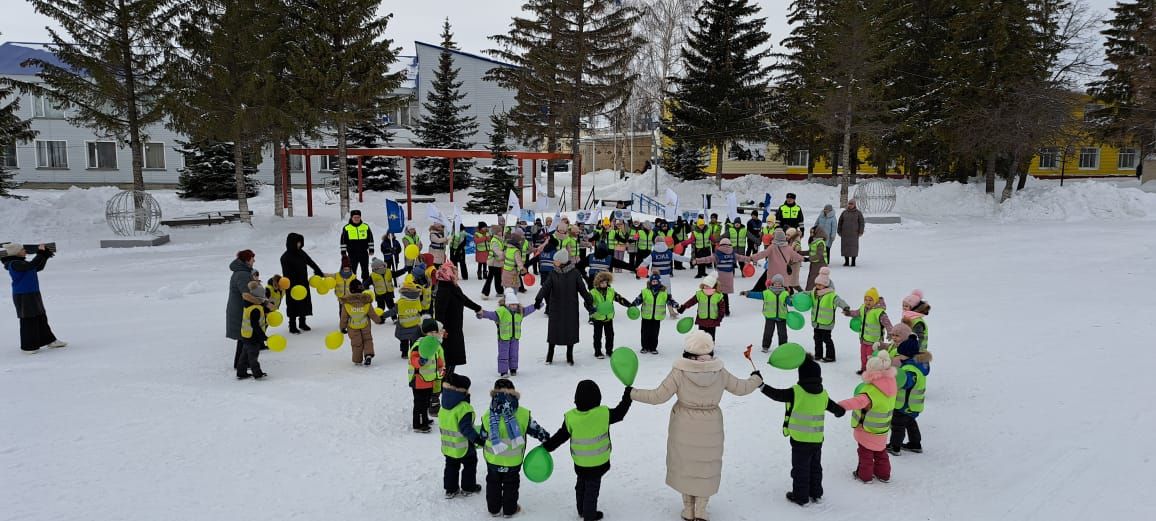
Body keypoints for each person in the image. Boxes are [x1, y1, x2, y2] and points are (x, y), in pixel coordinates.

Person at [630, 331, 763, 521]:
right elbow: (741, 388)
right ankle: (701, 511)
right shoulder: (719, 371)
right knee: (704, 469)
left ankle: (688, 510)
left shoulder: (680, 371)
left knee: (686, 467)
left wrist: (633, 393)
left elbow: (657, 397)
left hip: (683, 425)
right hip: (711, 427)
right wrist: (756, 379)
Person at [758, 355, 845, 506]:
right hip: (817, 440)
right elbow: (836, 409)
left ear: (801, 375)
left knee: (800, 469)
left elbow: (777, 395)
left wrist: (762, 386)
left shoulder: (796, 392)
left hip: (799, 440)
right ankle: (816, 493)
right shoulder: (823, 394)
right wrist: (840, 411)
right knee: (815, 467)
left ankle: (801, 496)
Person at [542, 380, 633, 521]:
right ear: (598, 398)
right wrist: (627, 396)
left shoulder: (571, 418)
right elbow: (620, 413)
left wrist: (547, 447)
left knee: (581, 486)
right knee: (592, 490)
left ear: (576, 399)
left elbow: (561, 436)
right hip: (599, 463)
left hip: (580, 463)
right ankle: (589, 515)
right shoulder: (603, 413)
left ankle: (581, 510)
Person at [478, 378, 552, 518]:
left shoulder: (488, 415)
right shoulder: (523, 414)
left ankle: (494, 509)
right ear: (513, 394)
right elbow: (537, 431)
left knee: (493, 483)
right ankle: (509, 509)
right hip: (513, 461)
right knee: (511, 485)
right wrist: (547, 439)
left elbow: (482, 436)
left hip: (493, 460)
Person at [837, 351, 898, 483]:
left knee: (865, 453)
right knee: (881, 452)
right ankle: (883, 474)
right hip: (882, 428)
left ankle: (864, 475)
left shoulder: (871, 391)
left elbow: (857, 402)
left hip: (867, 428)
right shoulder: (891, 386)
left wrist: (839, 406)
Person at [535, 249, 594, 366]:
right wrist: (538, 299)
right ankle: (550, 355)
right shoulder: (553, 273)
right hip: (556, 307)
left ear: (562, 261)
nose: (553, 262)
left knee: (570, 331)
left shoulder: (575, 273)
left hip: (570, 307)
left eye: (555, 260)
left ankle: (569, 355)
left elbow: (582, 289)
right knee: (553, 331)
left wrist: (589, 301)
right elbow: (545, 288)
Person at [3, 243, 65, 353]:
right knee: (28, 319)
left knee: (40, 316)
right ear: (16, 252)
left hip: (33, 293)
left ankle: (50, 341)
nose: (25, 251)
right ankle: (28, 347)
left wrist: (44, 255)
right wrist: (40, 253)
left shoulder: (22, 263)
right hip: (23, 295)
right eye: (22, 249)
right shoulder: (14, 264)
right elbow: (30, 266)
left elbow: (38, 267)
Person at [439, 373, 483, 499]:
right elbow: (466, 428)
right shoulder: (464, 408)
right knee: (470, 464)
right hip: (464, 446)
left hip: (448, 445)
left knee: (451, 466)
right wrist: (478, 439)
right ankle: (468, 487)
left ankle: (450, 489)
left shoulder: (444, 406)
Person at [477, 288, 540, 377]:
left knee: (514, 353)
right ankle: (503, 371)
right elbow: (491, 315)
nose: (514, 306)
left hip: (515, 337)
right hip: (504, 338)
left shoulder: (520, 311)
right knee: (503, 355)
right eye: (512, 304)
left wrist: (536, 306)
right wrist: (482, 314)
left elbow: (528, 310)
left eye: (515, 304)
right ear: (507, 304)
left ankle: (513, 369)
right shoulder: (502, 311)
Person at [433, 263, 482, 375]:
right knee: (448, 356)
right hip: (448, 331)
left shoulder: (451, 287)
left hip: (455, 327)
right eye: (454, 272)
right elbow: (439, 313)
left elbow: (463, 299)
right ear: (449, 275)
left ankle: (448, 376)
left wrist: (477, 308)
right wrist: (441, 330)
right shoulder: (444, 291)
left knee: (453, 356)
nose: (457, 275)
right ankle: (445, 378)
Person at [888, 333, 931, 455]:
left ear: (906, 354)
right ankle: (915, 444)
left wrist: (894, 377)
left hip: (904, 404)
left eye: (900, 354)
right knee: (911, 423)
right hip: (913, 405)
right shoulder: (918, 366)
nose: (898, 356)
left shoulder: (910, 369)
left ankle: (895, 446)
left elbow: (906, 382)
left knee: (897, 425)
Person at [280, 233, 324, 335]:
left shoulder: (301, 253)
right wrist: (291, 285)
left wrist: (318, 271)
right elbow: (286, 274)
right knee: (292, 305)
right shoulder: (285, 257)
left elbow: (311, 262)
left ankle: (302, 323)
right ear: (292, 243)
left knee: (304, 303)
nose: (299, 244)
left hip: (303, 282)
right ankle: (292, 325)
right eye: (298, 242)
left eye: (300, 242)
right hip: (292, 285)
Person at [692, 238, 748, 316]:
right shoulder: (733, 253)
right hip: (729, 276)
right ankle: (727, 311)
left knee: (718, 293)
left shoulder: (717, 254)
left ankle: (719, 309)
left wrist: (697, 260)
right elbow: (742, 258)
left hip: (720, 276)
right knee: (725, 294)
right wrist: (750, 259)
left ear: (720, 244)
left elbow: (708, 259)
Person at [228, 249, 265, 367]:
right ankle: (241, 364)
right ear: (247, 260)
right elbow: (246, 294)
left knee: (244, 337)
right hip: (240, 310)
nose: (254, 260)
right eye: (252, 258)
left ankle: (242, 363)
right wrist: (261, 302)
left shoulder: (243, 271)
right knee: (244, 336)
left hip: (241, 308)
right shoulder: (242, 274)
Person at [409, 319, 447, 433]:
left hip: (429, 380)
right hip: (418, 380)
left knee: (426, 402)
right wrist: (420, 361)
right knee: (419, 403)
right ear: (425, 333)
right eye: (430, 332)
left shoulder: (433, 345)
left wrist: (441, 367)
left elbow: (437, 358)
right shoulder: (419, 344)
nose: (433, 334)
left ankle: (424, 419)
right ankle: (418, 424)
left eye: (435, 332)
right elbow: (413, 359)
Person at [845, 288, 894, 374]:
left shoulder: (879, 312)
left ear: (875, 300)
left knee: (871, 357)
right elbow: (856, 313)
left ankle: (871, 371)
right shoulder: (863, 308)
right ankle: (864, 369)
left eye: (870, 300)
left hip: (874, 342)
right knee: (863, 356)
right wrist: (849, 313)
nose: (868, 302)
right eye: (866, 300)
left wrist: (890, 332)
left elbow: (887, 323)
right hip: (864, 339)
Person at [808, 268, 851, 362]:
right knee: (817, 339)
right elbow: (806, 294)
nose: (817, 286)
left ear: (825, 285)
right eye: (816, 284)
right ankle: (818, 355)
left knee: (827, 339)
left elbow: (839, 301)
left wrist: (845, 307)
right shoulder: (814, 293)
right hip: (816, 322)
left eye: (820, 284)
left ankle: (830, 356)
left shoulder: (831, 295)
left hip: (827, 323)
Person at [741, 274, 791, 353]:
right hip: (770, 316)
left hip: (782, 317)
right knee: (768, 332)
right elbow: (757, 295)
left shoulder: (785, 294)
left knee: (783, 334)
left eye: (779, 283)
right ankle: (765, 346)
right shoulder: (767, 293)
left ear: (782, 284)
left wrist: (794, 300)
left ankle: (783, 347)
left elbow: (790, 302)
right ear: (772, 283)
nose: (777, 285)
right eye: (776, 283)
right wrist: (748, 293)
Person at [589, 271, 633, 359]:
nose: (604, 284)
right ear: (598, 283)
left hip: (609, 318)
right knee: (597, 336)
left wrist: (629, 305)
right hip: (598, 318)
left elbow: (620, 299)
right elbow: (587, 303)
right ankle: (598, 352)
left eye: (605, 282)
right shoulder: (593, 292)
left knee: (610, 335)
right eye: (602, 282)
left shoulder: (611, 291)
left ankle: (609, 351)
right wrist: (591, 309)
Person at [632, 274, 680, 355]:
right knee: (645, 332)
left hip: (657, 317)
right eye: (653, 281)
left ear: (659, 282)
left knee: (654, 333)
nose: (654, 283)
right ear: (650, 282)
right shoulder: (645, 291)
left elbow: (670, 300)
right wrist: (632, 305)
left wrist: (676, 305)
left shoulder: (663, 292)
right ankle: (644, 347)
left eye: (656, 281)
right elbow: (638, 300)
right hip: (646, 316)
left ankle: (653, 347)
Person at [340, 279, 385, 366]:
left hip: (352, 327)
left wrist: (342, 327)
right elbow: (372, 314)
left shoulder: (347, 304)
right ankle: (368, 354)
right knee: (367, 339)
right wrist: (379, 320)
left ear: (351, 290)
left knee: (356, 343)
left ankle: (357, 360)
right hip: (365, 325)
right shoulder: (366, 301)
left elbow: (344, 317)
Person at [747, 229, 805, 293]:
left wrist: (752, 258)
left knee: (773, 283)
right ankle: (784, 294)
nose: (787, 236)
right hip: (783, 271)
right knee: (784, 284)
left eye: (788, 235)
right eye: (786, 235)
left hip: (774, 270)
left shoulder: (773, 247)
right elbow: (796, 256)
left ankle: (769, 294)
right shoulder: (788, 247)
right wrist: (804, 259)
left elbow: (762, 254)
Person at [237, 281, 274, 379]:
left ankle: (241, 372)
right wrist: (263, 336)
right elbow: (255, 325)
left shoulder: (249, 304)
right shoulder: (256, 309)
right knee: (253, 356)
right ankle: (257, 374)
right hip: (253, 336)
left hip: (245, 335)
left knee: (244, 354)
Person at [379, 278, 424, 358]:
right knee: (413, 339)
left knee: (404, 340)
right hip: (415, 324)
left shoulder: (400, 302)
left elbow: (393, 311)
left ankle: (404, 353)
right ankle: (413, 352)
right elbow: (420, 310)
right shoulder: (417, 300)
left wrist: (383, 315)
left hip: (404, 325)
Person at [677, 272, 727, 340]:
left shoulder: (718, 296)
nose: (705, 287)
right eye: (704, 285)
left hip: (713, 320)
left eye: (708, 285)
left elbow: (722, 307)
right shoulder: (700, 294)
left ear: (713, 286)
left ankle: (710, 348)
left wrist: (720, 316)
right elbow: (691, 301)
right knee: (701, 337)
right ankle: (701, 348)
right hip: (702, 320)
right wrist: (683, 307)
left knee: (711, 337)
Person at [340, 209, 374, 284]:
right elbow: (343, 241)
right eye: (355, 217)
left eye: (358, 217)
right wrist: (343, 251)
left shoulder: (365, 226)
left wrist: (371, 249)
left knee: (365, 269)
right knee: (352, 269)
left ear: (360, 217)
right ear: (351, 218)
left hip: (363, 252)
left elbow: (370, 239)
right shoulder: (347, 228)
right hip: (352, 253)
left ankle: (365, 283)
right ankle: (352, 283)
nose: (356, 219)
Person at [901, 290, 932, 356]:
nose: (904, 308)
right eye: (903, 305)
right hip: (909, 349)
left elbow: (920, 337)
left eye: (906, 306)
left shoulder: (917, 321)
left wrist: (914, 349)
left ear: (913, 308)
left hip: (919, 352)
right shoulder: (908, 318)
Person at [837, 199, 866, 267]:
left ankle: (853, 262)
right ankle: (846, 262)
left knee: (854, 248)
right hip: (845, 234)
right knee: (845, 247)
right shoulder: (844, 212)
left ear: (854, 205)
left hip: (854, 234)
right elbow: (840, 222)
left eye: (851, 204)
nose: (850, 205)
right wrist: (839, 231)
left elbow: (861, 223)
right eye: (849, 204)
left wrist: (861, 231)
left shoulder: (858, 213)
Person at [482, 227, 506, 299]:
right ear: (496, 233)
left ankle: (500, 291)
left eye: (501, 231)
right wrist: (504, 254)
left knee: (498, 277)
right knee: (490, 277)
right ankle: (485, 293)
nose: (501, 232)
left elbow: (502, 248)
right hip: (493, 262)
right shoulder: (494, 240)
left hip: (498, 262)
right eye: (499, 231)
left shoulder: (500, 239)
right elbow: (497, 251)